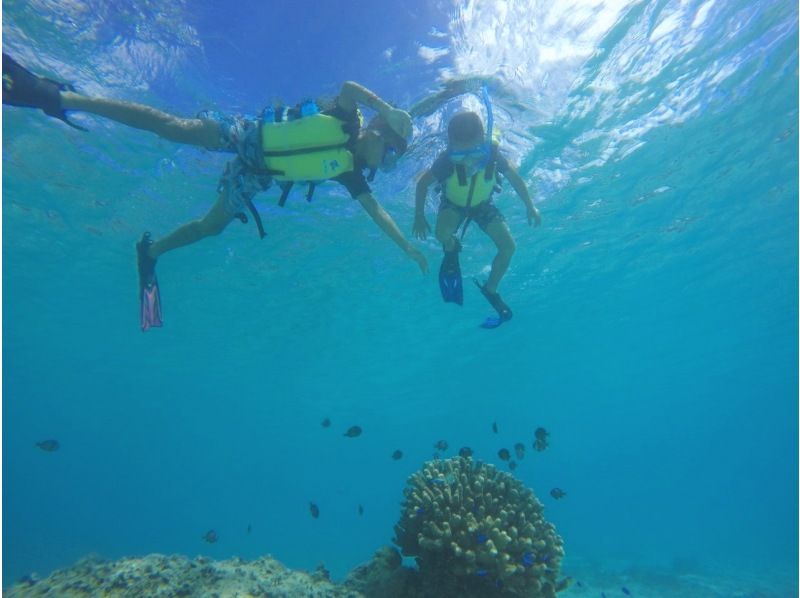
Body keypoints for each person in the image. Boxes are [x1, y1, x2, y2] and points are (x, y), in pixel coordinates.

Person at [2, 53, 428, 331]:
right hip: (246, 134)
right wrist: (384, 105)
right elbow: (351, 85)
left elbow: (377, 213)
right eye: (389, 156)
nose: (383, 166)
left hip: (257, 174)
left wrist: (406, 247)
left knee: (211, 228)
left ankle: (150, 253)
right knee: (175, 128)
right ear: (380, 131)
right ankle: (59, 95)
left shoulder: (351, 173)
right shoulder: (348, 116)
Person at [413, 109, 540, 328]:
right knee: (441, 234)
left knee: (508, 247)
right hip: (453, 204)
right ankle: (452, 248)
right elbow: (423, 183)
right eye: (461, 156)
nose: (469, 161)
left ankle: (491, 289)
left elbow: (516, 179)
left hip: (483, 205)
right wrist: (419, 216)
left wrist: (530, 205)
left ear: (483, 141)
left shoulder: (492, 155)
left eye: (475, 153)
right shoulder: (445, 162)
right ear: (451, 147)